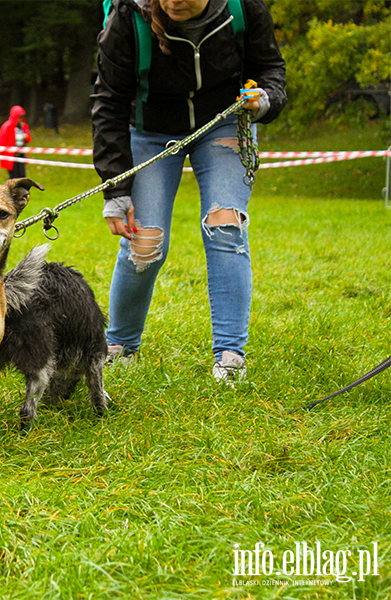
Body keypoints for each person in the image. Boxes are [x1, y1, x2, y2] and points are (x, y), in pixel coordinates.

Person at [91, 0, 286, 382]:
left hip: (224, 124)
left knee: (226, 225)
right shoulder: (129, 18)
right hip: (149, 131)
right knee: (144, 242)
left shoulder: (245, 8)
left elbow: (270, 70)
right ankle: (119, 347)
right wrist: (115, 188)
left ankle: (230, 356)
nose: (173, 1)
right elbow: (108, 102)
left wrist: (265, 100)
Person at [0, 105, 31, 179]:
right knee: (13, 177)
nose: (21, 119)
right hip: (11, 155)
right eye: (19, 117)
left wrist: (26, 137)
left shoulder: (24, 126)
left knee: (22, 176)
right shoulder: (7, 126)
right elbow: (1, 140)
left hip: (21, 154)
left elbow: (28, 139)